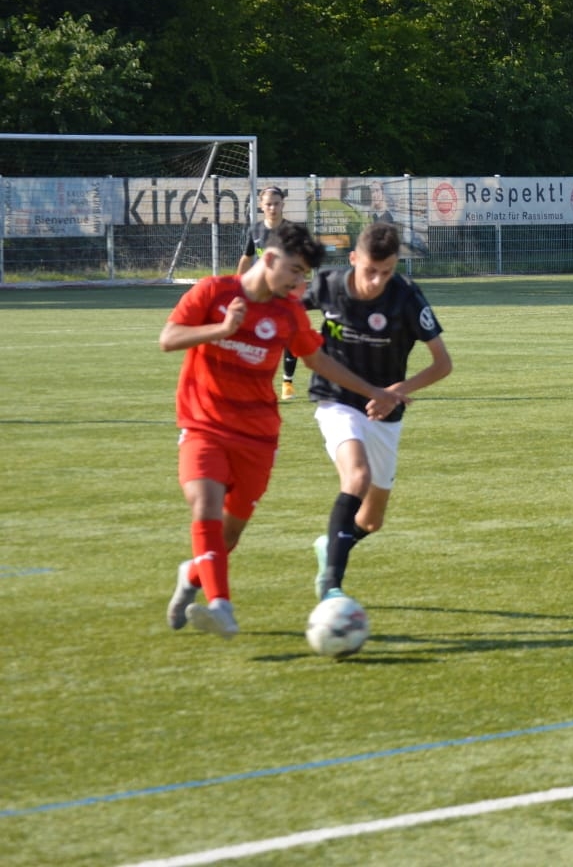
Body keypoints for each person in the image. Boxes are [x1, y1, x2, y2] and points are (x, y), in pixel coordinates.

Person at [162, 221, 406, 639]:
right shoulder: (212, 292)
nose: (298, 282)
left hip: (257, 437)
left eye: (304, 275)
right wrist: (222, 330)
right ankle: (221, 606)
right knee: (205, 506)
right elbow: (169, 338)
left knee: (229, 534)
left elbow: (318, 361)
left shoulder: (287, 312)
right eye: (294, 271)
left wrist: (374, 391)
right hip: (204, 426)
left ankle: (194, 573)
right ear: (270, 258)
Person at [306, 221, 453, 601]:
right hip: (337, 399)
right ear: (354, 258)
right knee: (357, 476)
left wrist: (397, 391)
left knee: (371, 521)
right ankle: (332, 590)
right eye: (370, 270)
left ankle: (332, 545)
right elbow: (281, 307)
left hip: (385, 411)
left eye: (386, 272)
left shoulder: (406, 297)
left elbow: (442, 364)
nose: (376, 281)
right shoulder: (328, 285)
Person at [237, 185, 302, 401]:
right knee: (258, 335)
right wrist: (238, 286)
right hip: (261, 293)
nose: (272, 208)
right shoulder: (255, 230)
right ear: (261, 206)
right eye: (268, 204)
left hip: (286, 292)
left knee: (289, 335)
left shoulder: (292, 231)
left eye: (276, 204)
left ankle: (287, 382)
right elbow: (247, 258)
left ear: (283, 204)